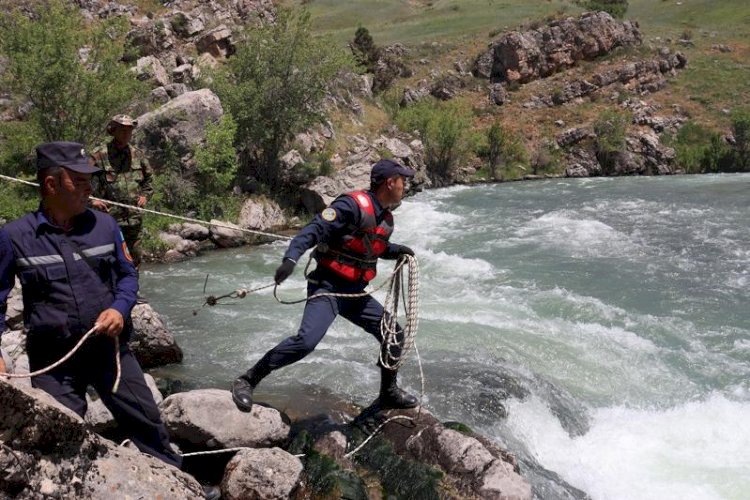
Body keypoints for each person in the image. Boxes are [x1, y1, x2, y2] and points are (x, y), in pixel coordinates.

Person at [0, 141, 181, 468]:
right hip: (54, 362)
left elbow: (128, 276)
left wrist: (120, 309)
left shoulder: (106, 226)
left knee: (148, 421)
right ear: (52, 184)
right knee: (59, 439)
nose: (89, 188)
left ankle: (180, 483)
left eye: (89, 181)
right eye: (79, 181)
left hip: (109, 350)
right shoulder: (14, 236)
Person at [231, 159, 419, 412]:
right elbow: (312, 230)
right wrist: (290, 259)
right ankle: (248, 379)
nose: (405, 185)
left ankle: (388, 392)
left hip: (353, 292)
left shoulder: (385, 218)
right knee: (306, 342)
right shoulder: (350, 205)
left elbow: (371, 248)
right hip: (327, 287)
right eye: (402, 180)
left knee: (393, 334)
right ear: (390, 182)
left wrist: (397, 251)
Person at [90, 114, 153, 269]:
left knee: (134, 258)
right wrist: (92, 200)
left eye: (129, 130)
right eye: (123, 130)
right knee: (109, 259)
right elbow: (80, 181)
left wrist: (145, 196)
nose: (126, 134)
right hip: (108, 219)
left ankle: (132, 291)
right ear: (113, 131)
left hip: (133, 218)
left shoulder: (137, 154)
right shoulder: (98, 155)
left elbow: (149, 180)